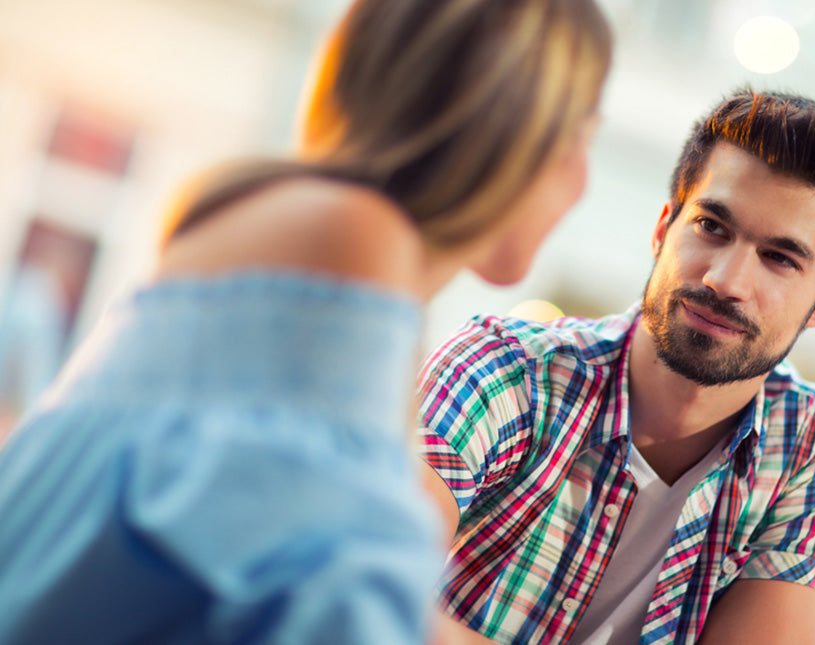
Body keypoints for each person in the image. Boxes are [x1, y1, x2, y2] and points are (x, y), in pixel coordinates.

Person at [0, 1, 611, 643]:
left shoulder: (272, 223)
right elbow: (341, 609)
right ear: (512, 132)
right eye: (582, 137)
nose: (583, 181)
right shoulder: (353, 242)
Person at [417, 88, 815, 644]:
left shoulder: (805, 441)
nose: (725, 281)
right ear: (664, 229)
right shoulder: (505, 371)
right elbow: (356, 586)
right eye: (712, 227)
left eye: (779, 259)